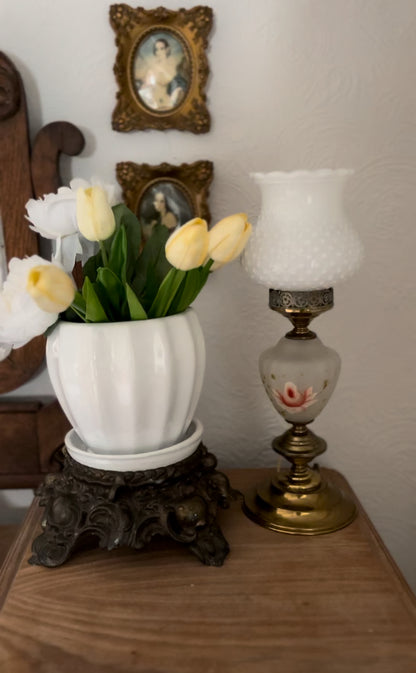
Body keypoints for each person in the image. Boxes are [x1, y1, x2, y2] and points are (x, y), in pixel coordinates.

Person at [134, 37, 188, 111]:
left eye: (162, 48)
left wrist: (178, 90)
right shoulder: (152, 68)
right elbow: (147, 85)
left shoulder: (172, 67)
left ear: (167, 50)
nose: (159, 52)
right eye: (157, 49)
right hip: (153, 104)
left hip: (167, 103)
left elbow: (178, 83)